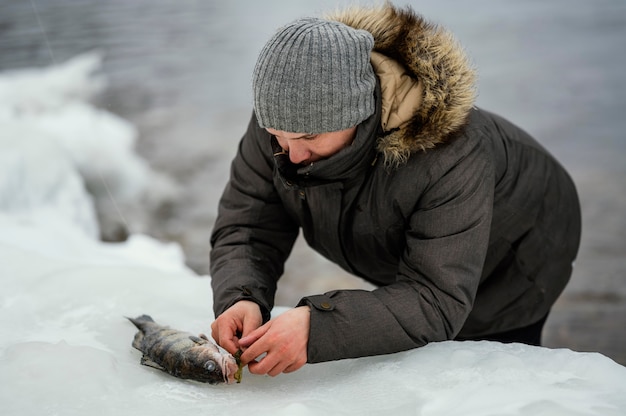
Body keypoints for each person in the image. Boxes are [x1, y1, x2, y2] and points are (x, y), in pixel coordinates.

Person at [209, 3, 581, 377]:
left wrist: (319, 327)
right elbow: (249, 224)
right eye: (278, 136)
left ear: (357, 113)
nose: (292, 153)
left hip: (520, 255)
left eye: (309, 136)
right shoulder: (282, 120)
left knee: (483, 375)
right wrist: (241, 295)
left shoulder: (451, 155)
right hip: (431, 257)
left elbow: (437, 298)